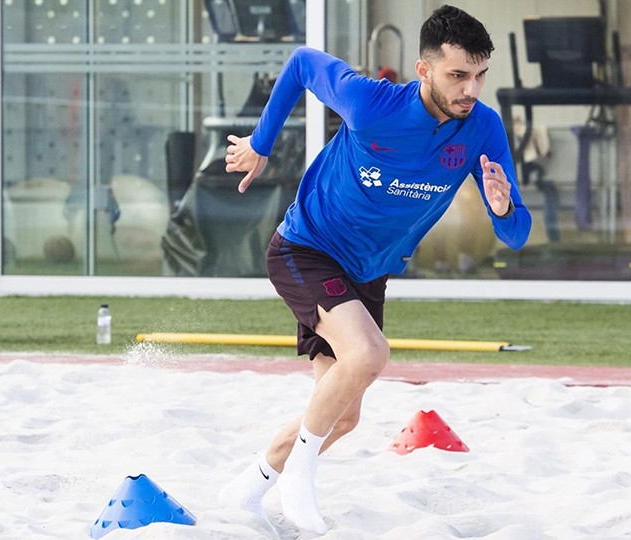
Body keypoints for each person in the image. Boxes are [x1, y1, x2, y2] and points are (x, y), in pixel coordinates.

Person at [219, 4, 531, 535]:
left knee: (343, 414)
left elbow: (517, 232)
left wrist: (502, 209)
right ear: (423, 69)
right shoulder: (370, 102)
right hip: (306, 248)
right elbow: (299, 62)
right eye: (458, 75)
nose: (470, 90)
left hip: (369, 273)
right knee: (368, 354)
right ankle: (300, 472)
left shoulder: (482, 127)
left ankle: (246, 487)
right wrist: (261, 144)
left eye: (480, 76)